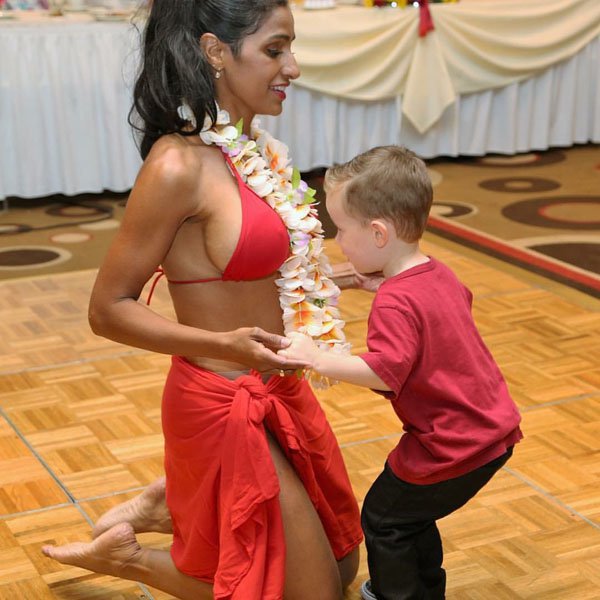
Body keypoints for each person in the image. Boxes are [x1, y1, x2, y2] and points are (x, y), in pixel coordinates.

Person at [41, 1, 363, 599]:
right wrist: (221, 344)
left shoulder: (258, 151)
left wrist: (345, 279)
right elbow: (107, 308)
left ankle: (174, 501)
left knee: (343, 569)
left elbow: (263, 270)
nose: (292, 66)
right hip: (221, 401)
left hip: (280, 388)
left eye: (290, 48)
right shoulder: (176, 165)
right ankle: (131, 557)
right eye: (275, 49)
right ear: (216, 52)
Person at [278, 145, 523, 600]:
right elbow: (445, 314)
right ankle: (424, 590)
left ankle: (397, 595)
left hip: (451, 444)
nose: (338, 242)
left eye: (341, 230)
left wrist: (312, 355)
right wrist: (386, 284)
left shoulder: (395, 300)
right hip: (491, 431)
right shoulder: (438, 272)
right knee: (409, 517)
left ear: (377, 233)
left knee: (384, 517)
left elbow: (386, 371)